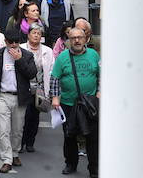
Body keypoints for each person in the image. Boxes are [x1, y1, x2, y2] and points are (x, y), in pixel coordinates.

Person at [0, 28, 37, 174]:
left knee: (18, 130)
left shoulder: (27, 55)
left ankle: (15, 153)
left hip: (19, 97)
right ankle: (7, 159)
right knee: (3, 130)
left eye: (16, 42)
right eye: (10, 42)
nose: (13, 45)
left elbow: (31, 73)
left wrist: (19, 60)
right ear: (5, 42)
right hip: (2, 96)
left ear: (20, 41)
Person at [50, 27, 100, 178]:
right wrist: (55, 97)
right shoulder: (63, 58)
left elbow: (102, 74)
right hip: (68, 103)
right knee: (69, 135)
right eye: (73, 38)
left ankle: (94, 169)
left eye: (80, 37)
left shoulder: (94, 55)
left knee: (92, 137)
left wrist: (100, 91)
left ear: (86, 39)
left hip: (90, 103)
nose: (77, 40)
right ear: (68, 41)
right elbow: (55, 78)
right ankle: (71, 163)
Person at [19, 23, 54, 153]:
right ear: (28, 35)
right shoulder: (21, 48)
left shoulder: (47, 51)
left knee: (35, 116)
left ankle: (30, 142)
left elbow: (51, 70)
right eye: (33, 33)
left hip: (39, 88)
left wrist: (49, 90)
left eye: (39, 33)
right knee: (23, 116)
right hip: (25, 87)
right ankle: (20, 142)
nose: (36, 35)